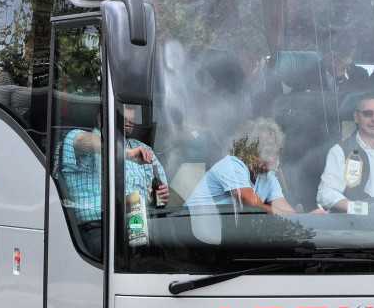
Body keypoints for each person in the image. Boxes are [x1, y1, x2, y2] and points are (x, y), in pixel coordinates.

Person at [60, 107, 170, 256]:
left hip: (140, 227)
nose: (128, 126)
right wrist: (127, 154)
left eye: (131, 122)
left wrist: (159, 195)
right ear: (101, 119)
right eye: (123, 121)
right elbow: (81, 141)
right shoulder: (83, 139)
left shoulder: (144, 149)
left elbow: (162, 196)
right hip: (98, 227)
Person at [185, 117, 295, 213]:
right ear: (249, 148)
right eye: (267, 147)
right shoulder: (231, 165)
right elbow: (256, 208)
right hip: (189, 230)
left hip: (223, 232)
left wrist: (308, 218)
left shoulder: (268, 177)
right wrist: (290, 216)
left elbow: (288, 213)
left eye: (275, 147)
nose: (274, 154)